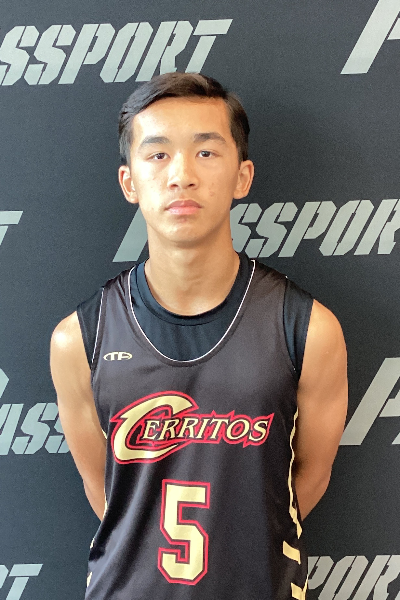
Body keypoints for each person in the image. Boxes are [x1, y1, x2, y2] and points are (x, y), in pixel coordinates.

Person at [50, 72, 348, 600]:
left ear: (242, 176)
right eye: (158, 154)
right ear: (129, 182)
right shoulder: (79, 340)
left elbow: (309, 479)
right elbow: (105, 491)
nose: (181, 175)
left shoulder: (309, 329)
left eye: (206, 152)